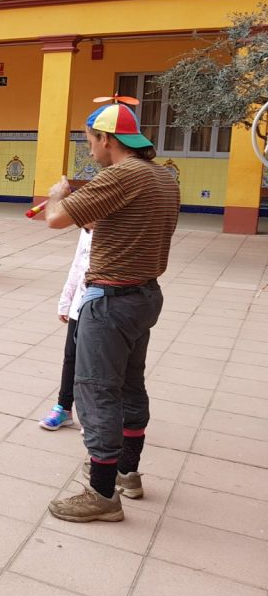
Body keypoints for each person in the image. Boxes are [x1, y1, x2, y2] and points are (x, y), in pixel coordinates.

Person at [43, 102, 179, 523]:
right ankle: (127, 471)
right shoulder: (163, 176)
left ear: (107, 139)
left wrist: (57, 196)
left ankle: (102, 494)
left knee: (97, 391)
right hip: (145, 296)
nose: (90, 151)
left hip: (111, 301)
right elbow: (125, 225)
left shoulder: (121, 174)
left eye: (91, 142)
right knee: (130, 385)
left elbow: (56, 219)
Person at [38, 227, 92, 431]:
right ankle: (64, 408)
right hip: (80, 303)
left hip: (102, 305)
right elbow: (78, 265)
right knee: (71, 357)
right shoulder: (86, 230)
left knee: (96, 362)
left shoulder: (114, 226)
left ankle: (94, 416)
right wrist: (66, 300)